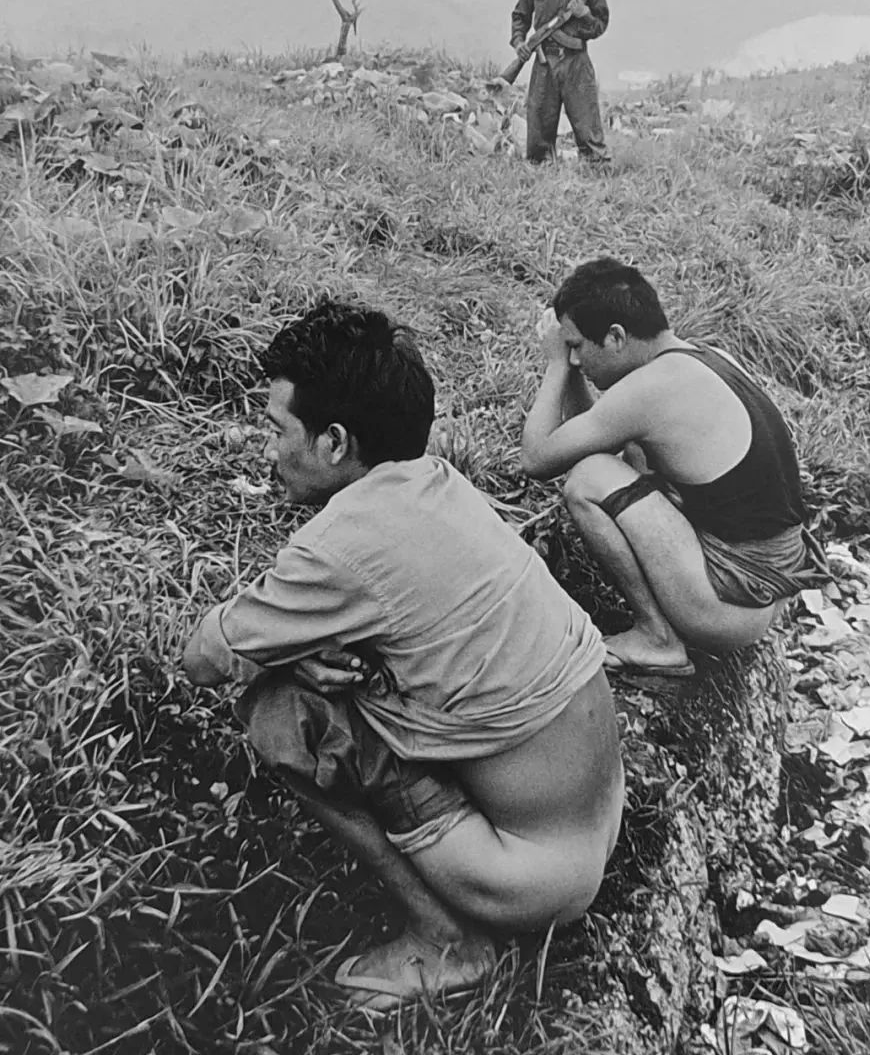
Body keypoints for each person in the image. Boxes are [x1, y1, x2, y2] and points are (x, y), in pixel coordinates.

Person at [182, 300, 623, 1011]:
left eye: (275, 429)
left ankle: (447, 940)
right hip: (594, 829)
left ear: (333, 442)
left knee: (278, 710)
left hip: (524, 880)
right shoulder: (439, 483)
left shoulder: (341, 547)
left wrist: (288, 658)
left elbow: (201, 658)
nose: (266, 451)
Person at [520, 259, 828, 678]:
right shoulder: (703, 358)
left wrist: (555, 365)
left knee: (589, 480)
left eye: (577, 346)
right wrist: (573, 364)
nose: (575, 360)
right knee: (618, 461)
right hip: (765, 593)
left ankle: (657, 638)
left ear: (615, 337)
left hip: (729, 606)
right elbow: (590, 437)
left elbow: (536, 458)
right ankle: (664, 630)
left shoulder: (653, 390)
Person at [510, 0, 611, 166]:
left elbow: (600, 26)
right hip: (545, 63)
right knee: (539, 130)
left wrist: (584, 14)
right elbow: (520, 16)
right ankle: (540, 176)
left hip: (577, 63)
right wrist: (519, 42)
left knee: (588, 127)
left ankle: (596, 175)